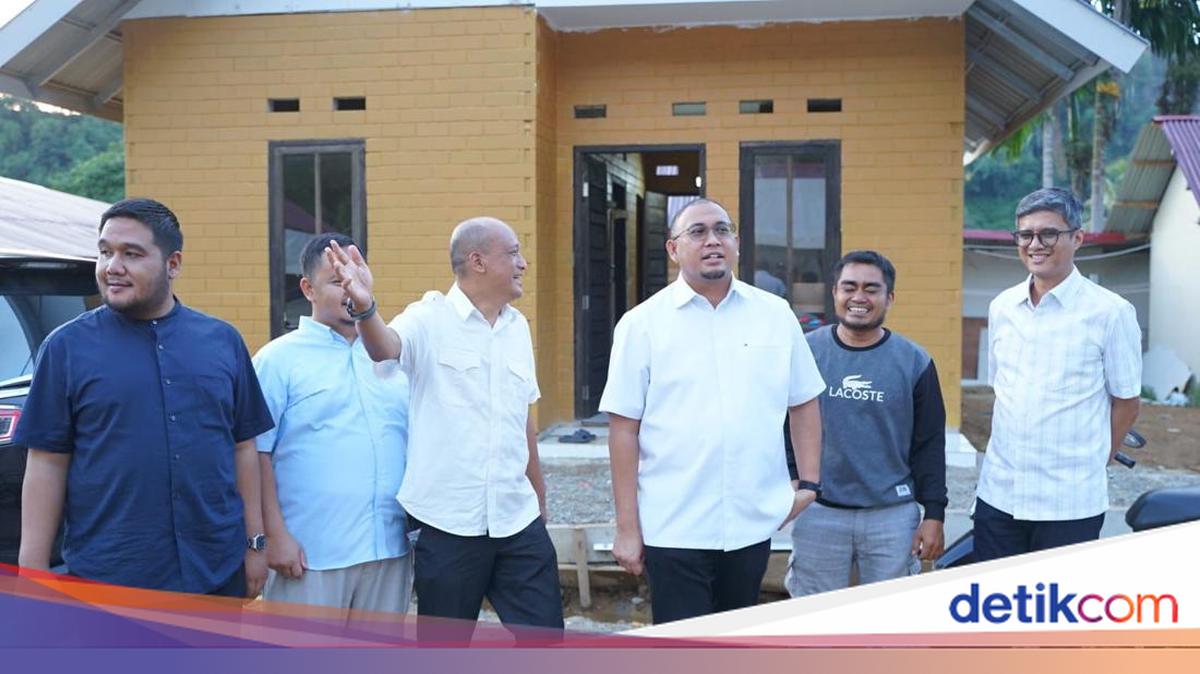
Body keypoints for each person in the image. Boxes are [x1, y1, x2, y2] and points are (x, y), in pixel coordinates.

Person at [16, 198, 273, 597]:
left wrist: (255, 543)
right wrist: (33, 571)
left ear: (173, 264)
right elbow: (47, 462)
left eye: (131, 254)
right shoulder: (66, 348)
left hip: (215, 572)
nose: (112, 267)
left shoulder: (223, 342)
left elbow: (243, 447)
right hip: (110, 577)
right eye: (104, 252)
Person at [324, 217, 562, 640]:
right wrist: (364, 306)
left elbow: (522, 419)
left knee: (544, 641)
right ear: (478, 261)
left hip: (517, 519)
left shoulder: (517, 328)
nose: (523, 263)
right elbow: (384, 347)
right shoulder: (428, 318)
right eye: (513, 253)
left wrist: (539, 500)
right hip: (448, 526)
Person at [599, 198, 824, 624]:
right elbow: (623, 430)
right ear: (673, 249)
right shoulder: (641, 324)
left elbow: (804, 401)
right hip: (674, 524)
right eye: (697, 232)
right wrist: (628, 528)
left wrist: (810, 482)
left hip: (751, 522)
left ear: (736, 243)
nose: (712, 240)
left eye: (722, 230)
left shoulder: (774, 315)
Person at [975, 187, 1141, 561]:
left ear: (1077, 238)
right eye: (1026, 234)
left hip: (1069, 504)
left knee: (1054, 614)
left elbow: (1127, 403)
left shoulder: (1111, 313)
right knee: (994, 610)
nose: (1036, 244)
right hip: (999, 495)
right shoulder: (1002, 307)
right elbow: (1002, 390)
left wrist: (1097, 457)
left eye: (1049, 233)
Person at [253, 233, 413, 613]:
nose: (349, 289)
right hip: (311, 555)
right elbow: (255, 453)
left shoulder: (392, 358)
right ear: (307, 288)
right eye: (337, 280)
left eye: (356, 277)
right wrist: (274, 537)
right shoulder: (277, 361)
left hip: (389, 550)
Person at [784, 250, 947, 597]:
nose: (859, 297)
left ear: (890, 297)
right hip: (819, 512)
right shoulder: (805, 352)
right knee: (812, 625)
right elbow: (782, 423)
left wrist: (934, 513)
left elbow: (930, 443)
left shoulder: (914, 362)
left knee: (886, 625)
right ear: (835, 293)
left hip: (891, 516)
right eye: (849, 287)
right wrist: (795, 478)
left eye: (871, 289)